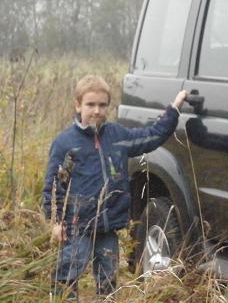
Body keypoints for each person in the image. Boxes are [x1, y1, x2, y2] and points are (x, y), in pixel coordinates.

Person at [42, 75, 187, 300]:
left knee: (108, 279)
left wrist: (174, 109)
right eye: (90, 105)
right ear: (78, 105)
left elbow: (152, 135)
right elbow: (54, 185)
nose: (97, 111)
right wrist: (56, 222)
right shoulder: (66, 143)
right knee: (68, 275)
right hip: (77, 226)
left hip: (109, 227)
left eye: (102, 105)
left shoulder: (117, 136)